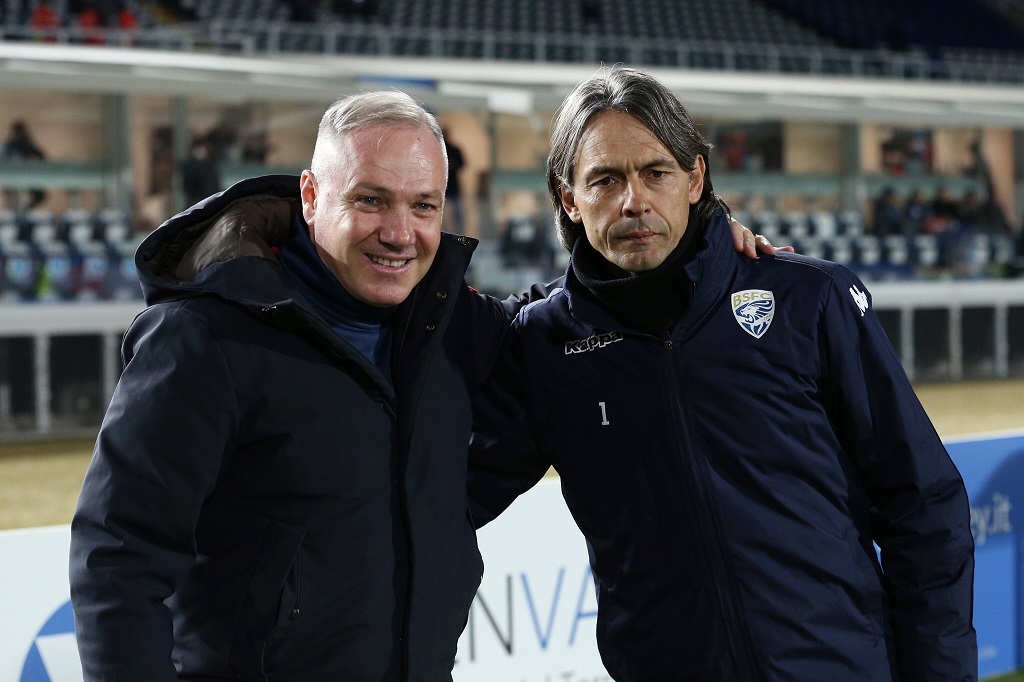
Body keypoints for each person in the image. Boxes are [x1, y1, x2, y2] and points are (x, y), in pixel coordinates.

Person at [69, 88, 772, 681]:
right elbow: (119, 559)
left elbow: (565, 315)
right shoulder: (202, 340)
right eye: (371, 200)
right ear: (311, 196)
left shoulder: (453, 325)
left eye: (425, 206)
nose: (400, 233)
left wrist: (699, 244)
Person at [468, 66, 977, 681]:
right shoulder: (544, 347)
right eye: (605, 179)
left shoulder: (807, 300)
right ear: (568, 198)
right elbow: (445, 496)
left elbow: (922, 505)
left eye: (656, 173)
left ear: (694, 179)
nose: (634, 201)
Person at [2, 120, 48, 209]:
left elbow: (41, 156)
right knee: (13, 199)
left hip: (26, 176)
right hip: (14, 178)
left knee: (39, 196)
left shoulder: (25, 144)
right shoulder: (11, 145)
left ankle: (25, 210)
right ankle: (21, 210)